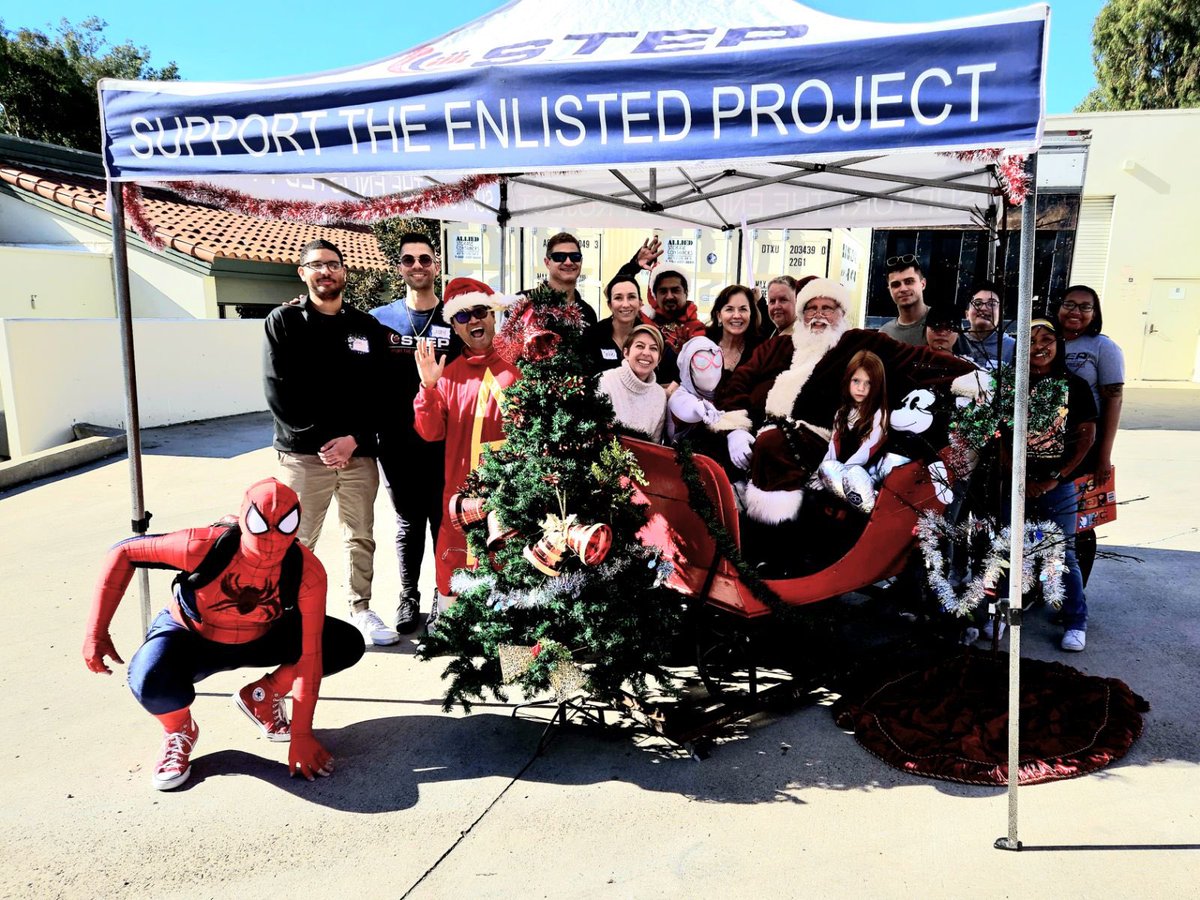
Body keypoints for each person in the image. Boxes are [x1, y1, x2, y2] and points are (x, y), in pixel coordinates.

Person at [82, 478, 365, 790]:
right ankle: (179, 730)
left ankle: (263, 696)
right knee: (149, 678)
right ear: (244, 518)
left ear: (297, 524)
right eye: (260, 524)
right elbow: (123, 553)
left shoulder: (306, 571)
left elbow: (311, 655)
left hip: (262, 633)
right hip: (191, 635)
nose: (271, 539)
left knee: (343, 643)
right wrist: (96, 630)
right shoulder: (202, 546)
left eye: (285, 525)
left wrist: (301, 734)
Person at [719, 277, 980, 525]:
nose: (819, 315)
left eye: (827, 308)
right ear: (801, 314)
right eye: (811, 309)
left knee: (772, 444)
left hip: (819, 439)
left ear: (841, 313)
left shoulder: (855, 342)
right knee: (708, 445)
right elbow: (740, 381)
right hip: (758, 430)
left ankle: (770, 531)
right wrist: (735, 429)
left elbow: (912, 358)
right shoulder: (779, 347)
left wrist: (971, 377)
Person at [263, 239, 398, 647]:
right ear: (302, 272)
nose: (326, 272)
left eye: (334, 265)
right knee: (297, 539)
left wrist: (354, 440)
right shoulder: (284, 322)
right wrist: (326, 444)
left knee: (360, 535)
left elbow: (382, 393)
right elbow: (277, 390)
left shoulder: (365, 327)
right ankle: (289, 615)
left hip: (357, 454)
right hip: (304, 456)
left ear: (344, 273)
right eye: (316, 265)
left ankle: (361, 609)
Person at [413, 277, 520, 621]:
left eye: (480, 312)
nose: (474, 320)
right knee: (456, 559)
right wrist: (428, 388)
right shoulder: (447, 378)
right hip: (461, 496)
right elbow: (429, 433)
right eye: (463, 317)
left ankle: (508, 637)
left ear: (492, 316)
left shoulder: (518, 371)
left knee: (510, 561)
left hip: (512, 495)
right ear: (455, 328)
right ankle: (456, 630)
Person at [369, 233, 460, 634]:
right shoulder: (378, 319)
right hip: (395, 442)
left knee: (444, 520)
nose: (418, 266)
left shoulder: (455, 319)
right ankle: (409, 595)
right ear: (400, 267)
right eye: (409, 260)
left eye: (425, 259)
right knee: (408, 522)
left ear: (436, 266)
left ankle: (444, 594)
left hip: (444, 441)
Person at [991, 318, 1096, 652]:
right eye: (1030, 339)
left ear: (1058, 343)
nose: (1038, 345)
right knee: (1009, 548)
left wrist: (1057, 477)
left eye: (1046, 338)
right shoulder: (1009, 384)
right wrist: (1018, 477)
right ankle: (1002, 616)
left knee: (1062, 553)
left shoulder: (1074, 385)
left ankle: (1075, 620)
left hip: (1058, 485)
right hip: (1016, 483)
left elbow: (1086, 437)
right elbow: (999, 434)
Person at [1055, 283, 1125, 584]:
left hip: (1085, 448)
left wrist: (1103, 456)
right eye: (1070, 304)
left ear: (1094, 313)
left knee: (1080, 522)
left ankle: (1075, 590)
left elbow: (1113, 401)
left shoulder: (1103, 347)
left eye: (1086, 307)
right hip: (1044, 448)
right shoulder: (1047, 339)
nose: (1076, 312)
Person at [817, 351, 890, 513]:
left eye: (868, 383)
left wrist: (841, 476)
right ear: (848, 380)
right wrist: (821, 474)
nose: (861, 388)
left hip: (861, 477)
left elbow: (865, 452)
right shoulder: (842, 412)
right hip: (836, 475)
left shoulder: (879, 414)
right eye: (856, 381)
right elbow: (833, 448)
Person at [580, 273, 679, 384]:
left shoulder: (653, 335)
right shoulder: (592, 335)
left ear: (640, 303)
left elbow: (673, 376)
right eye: (618, 298)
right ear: (610, 305)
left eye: (631, 297)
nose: (626, 304)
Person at [597, 323, 668, 443]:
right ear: (626, 353)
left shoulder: (660, 395)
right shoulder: (605, 382)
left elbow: (654, 446)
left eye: (653, 348)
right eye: (640, 346)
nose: (646, 353)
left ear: (659, 359)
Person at [707, 283, 763, 385]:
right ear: (719, 316)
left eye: (743, 309)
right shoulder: (704, 344)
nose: (737, 315)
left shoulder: (759, 352)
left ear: (751, 314)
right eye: (729, 309)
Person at [955, 280, 1015, 369]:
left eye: (991, 304)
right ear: (967, 314)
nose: (983, 308)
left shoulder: (1012, 347)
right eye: (977, 303)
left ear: (1001, 313)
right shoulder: (955, 342)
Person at [643, 269, 707, 353]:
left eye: (675, 290)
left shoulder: (697, 328)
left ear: (686, 293)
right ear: (656, 296)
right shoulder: (644, 322)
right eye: (663, 291)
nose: (669, 296)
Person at [880, 255, 930, 346]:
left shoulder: (943, 324)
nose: (903, 289)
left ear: (923, 284)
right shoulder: (885, 334)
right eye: (896, 285)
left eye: (909, 281)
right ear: (889, 290)